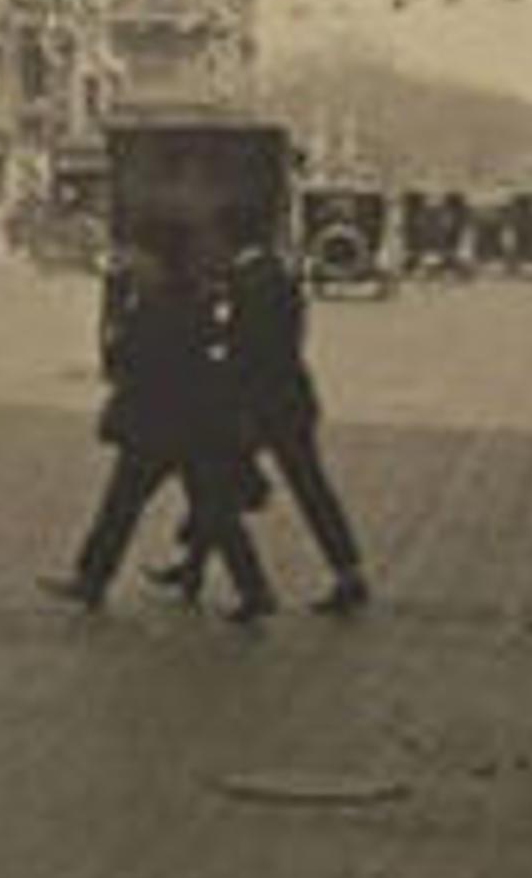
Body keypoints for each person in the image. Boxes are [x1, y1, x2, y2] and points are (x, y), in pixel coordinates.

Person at [43, 233, 278, 623]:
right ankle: (254, 589)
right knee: (213, 510)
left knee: (123, 505)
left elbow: (123, 358)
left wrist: (116, 314)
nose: (134, 264)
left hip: (158, 424)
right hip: (193, 424)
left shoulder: (157, 305)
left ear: (159, 263)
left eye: (141, 258)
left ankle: (92, 579)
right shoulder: (192, 299)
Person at [157, 231, 371, 615]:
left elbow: (251, 346)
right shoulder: (274, 273)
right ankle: (345, 570)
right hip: (288, 398)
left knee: (220, 482)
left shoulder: (253, 281)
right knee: (282, 485)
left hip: (263, 404)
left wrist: (216, 354)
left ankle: (231, 578)